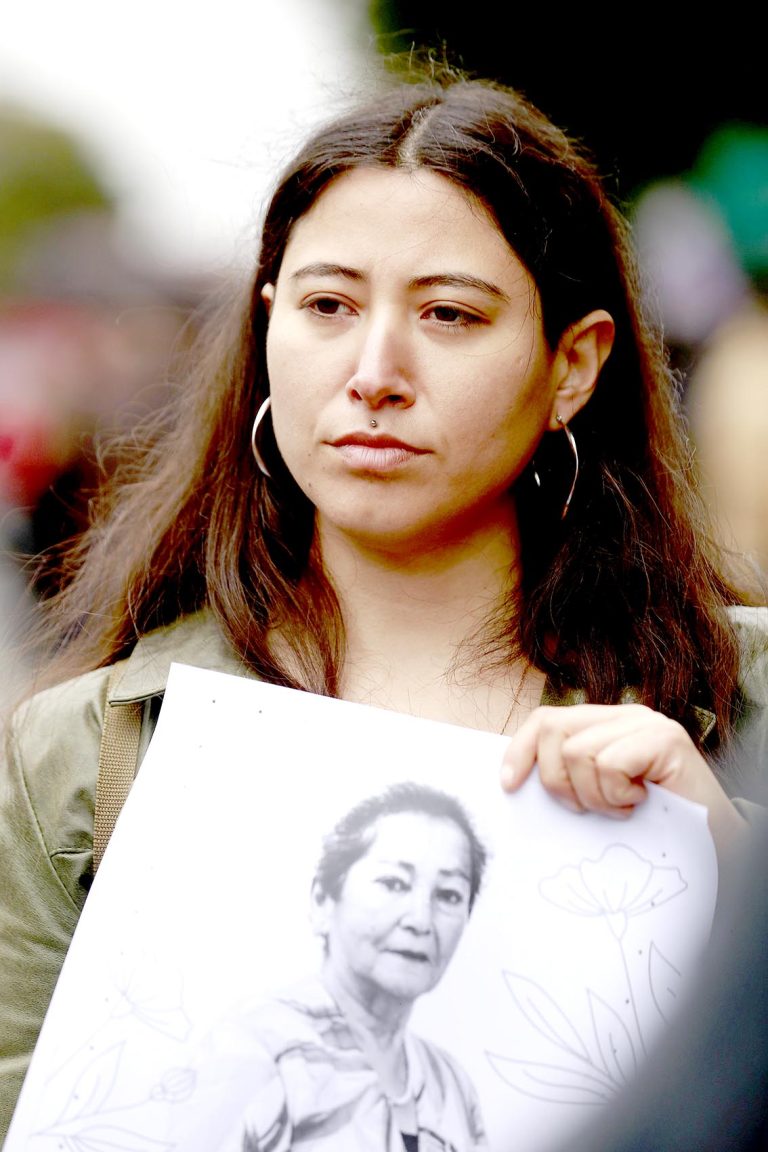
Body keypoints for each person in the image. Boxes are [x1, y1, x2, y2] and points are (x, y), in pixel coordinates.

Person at [2, 64, 767, 1144]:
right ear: (268, 327)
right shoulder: (88, 749)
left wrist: (724, 860)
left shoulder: (743, 703)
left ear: (574, 364)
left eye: (450, 314)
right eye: (327, 306)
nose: (374, 370)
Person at [231, 783, 488, 1151]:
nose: (421, 920)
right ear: (323, 901)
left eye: (448, 895)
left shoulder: (452, 1087)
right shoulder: (257, 1051)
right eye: (393, 883)